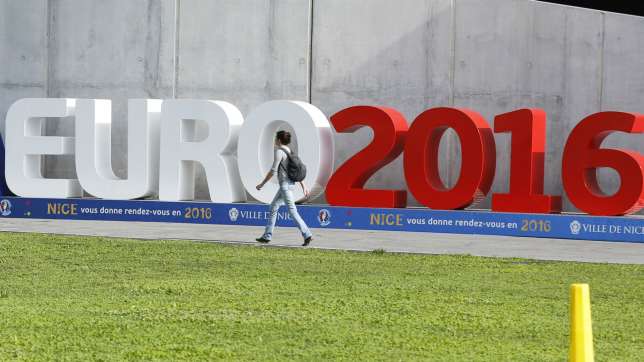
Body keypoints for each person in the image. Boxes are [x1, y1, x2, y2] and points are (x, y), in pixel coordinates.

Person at [255, 130, 313, 246]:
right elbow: (295, 171)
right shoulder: (290, 152)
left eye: (276, 138)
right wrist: (304, 186)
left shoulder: (279, 152)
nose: (275, 140)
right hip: (289, 185)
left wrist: (262, 184)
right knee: (273, 206)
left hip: (285, 187)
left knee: (292, 211)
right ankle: (267, 236)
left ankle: (307, 234)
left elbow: (273, 171)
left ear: (279, 140)